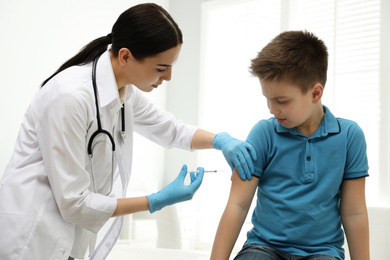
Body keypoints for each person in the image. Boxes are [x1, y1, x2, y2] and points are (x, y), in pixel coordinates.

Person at [0, 3, 257, 260]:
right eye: (161, 67)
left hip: (68, 239)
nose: (168, 77)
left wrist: (222, 141)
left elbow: (170, 130)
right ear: (125, 56)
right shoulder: (70, 98)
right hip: (32, 237)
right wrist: (156, 200)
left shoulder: (124, 94)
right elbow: (74, 203)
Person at [210, 30, 370, 260]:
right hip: (263, 247)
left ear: (315, 93)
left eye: (281, 101)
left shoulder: (349, 136)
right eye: (267, 98)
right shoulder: (263, 133)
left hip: (322, 252)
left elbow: (354, 213)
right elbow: (237, 205)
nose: (272, 109)